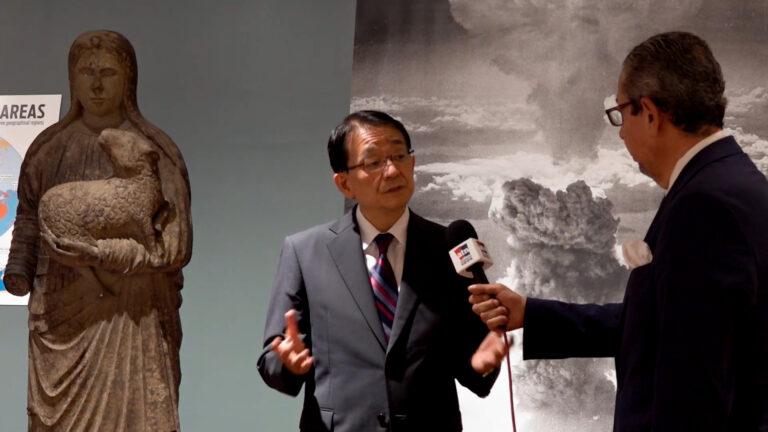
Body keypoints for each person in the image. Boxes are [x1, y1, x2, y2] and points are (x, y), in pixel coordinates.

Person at [469, 31, 768, 431]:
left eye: (619, 113)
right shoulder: (737, 183)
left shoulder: (703, 208)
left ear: (649, 112)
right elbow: (667, 325)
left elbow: (694, 394)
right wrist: (535, 315)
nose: (621, 131)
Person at [258, 110, 504, 432]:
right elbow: (271, 363)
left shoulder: (449, 247)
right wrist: (287, 362)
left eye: (399, 155)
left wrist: (483, 363)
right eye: (373, 162)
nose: (391, 170)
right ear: (344, 183)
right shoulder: (305, 252)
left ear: (412, 163)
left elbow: (475, 370)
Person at [4, 30, 192, 431]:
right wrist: (17, 268)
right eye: (86, 72)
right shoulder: (47, 149)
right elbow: (28, 218)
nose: (96, 83)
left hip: (133, 315)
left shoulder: (155, 150)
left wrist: (105, 255)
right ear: (71, 79)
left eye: (108, 72)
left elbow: (174, 247)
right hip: (61, 315)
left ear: (128, 79)